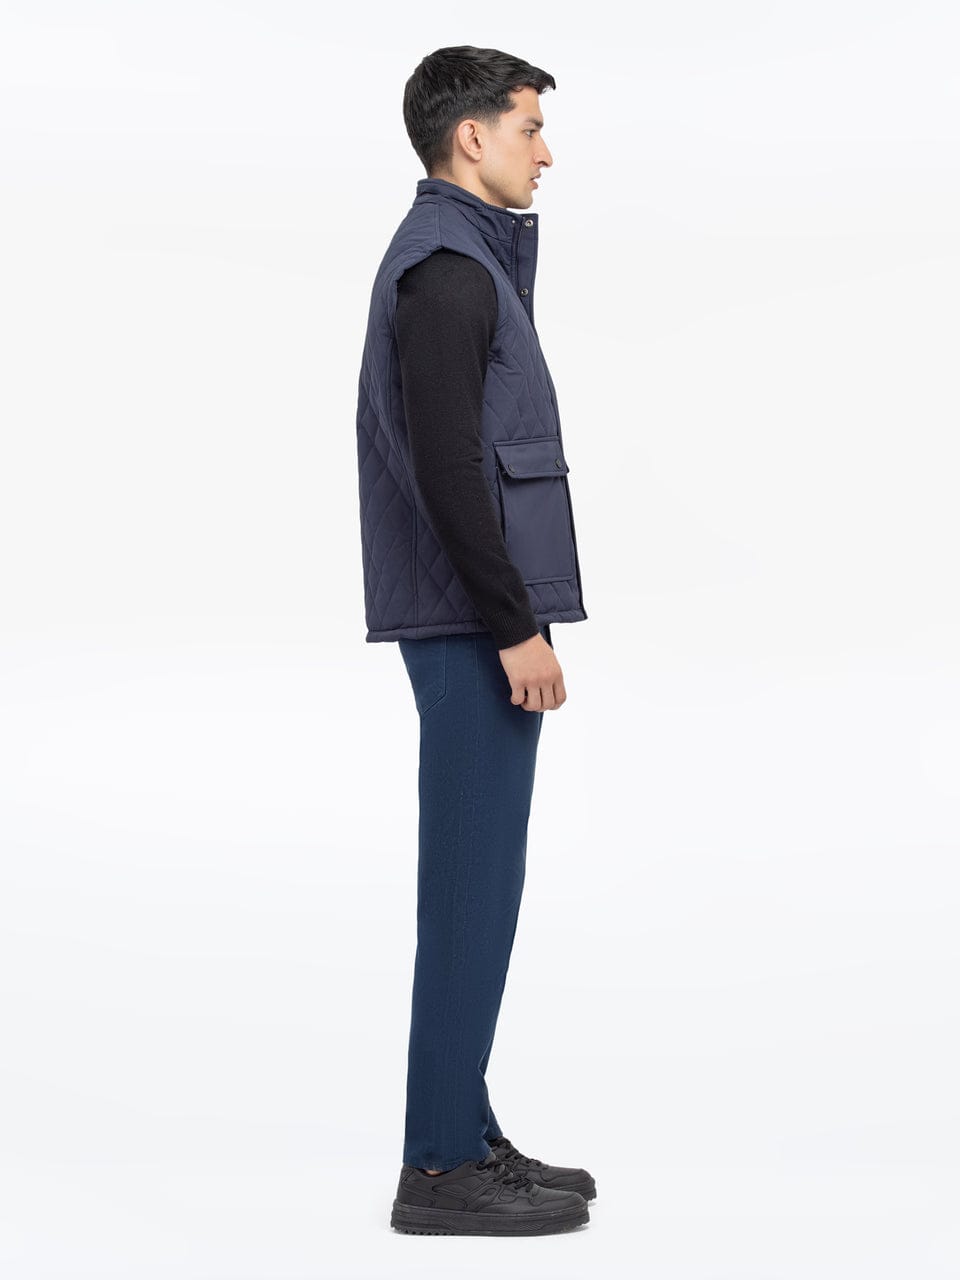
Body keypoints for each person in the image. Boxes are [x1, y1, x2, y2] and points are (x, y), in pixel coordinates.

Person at [353, 45, 595, 1236]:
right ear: (471, 137)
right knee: (467, 888)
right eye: (530, 127)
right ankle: (440, 1167)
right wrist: (516, 627)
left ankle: (462, 1121)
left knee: (480, 885)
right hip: (472, 625)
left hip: (474, 617)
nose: (545, 151)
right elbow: (449, 468)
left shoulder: (464, 257)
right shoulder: (448, 272)